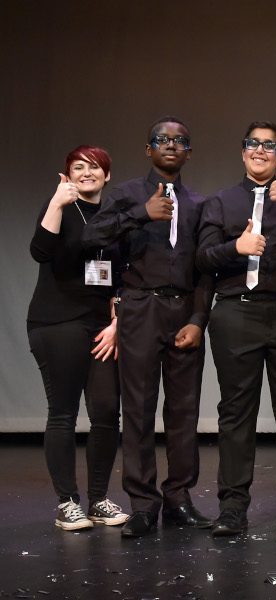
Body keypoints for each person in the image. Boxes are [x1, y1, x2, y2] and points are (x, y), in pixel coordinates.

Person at [83, 117, 213, 538]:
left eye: (180, 141)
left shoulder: (199, 203)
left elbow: (205, 269)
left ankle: (178, 498)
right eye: (163, 140)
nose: (171, 145)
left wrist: (197, 319)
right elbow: (91, 236)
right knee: (137, 408)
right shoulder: (125, 195)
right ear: (148, 149)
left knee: (183, 411)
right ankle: (142, 503)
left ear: (189, 152)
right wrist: (142, 213)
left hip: (183, 309)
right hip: (140, 307)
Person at [197, 121, 276, 536]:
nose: (260, 151)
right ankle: (232, 507)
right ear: (243, 151)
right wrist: (236, 248)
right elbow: (202, 259)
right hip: (236, 313)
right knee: (235, 412)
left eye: (270, 146)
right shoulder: (221, 202)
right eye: (253, 144)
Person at [27, 146, 128, 531]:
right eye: (78, 167)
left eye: (95, 167)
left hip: (101, 325)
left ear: (107, 174)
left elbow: (121, 274)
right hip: (57, 323)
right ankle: (67, 503)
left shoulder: (114, 216)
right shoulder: (60, 207)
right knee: (64, 413)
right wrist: (56, 201)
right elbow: (40, 251)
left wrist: (117, 322)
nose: (87, 173)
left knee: (105, 411)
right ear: (67, 175)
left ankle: (99, 499)